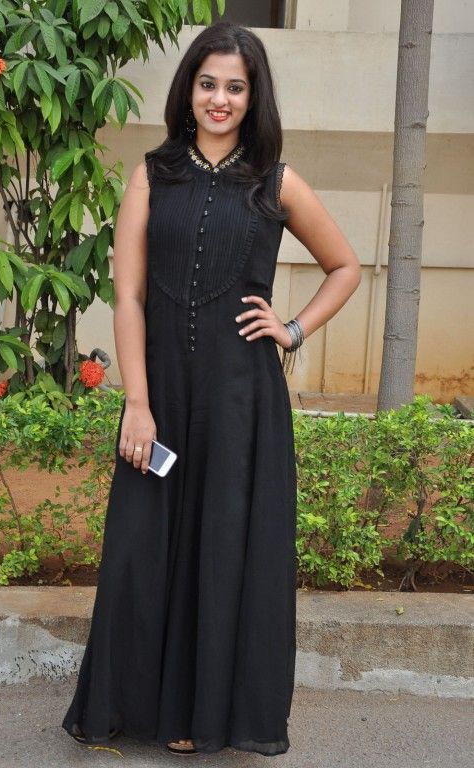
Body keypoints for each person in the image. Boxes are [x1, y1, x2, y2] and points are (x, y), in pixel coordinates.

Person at [61, 20, 361, 757]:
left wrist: (293, 329)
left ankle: (203, 716)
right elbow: (128, 297)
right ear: (188, 90)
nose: (219, 99)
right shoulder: (152, 174)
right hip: (160, 398)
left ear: (253, 97)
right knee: (140, 548)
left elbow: (346, 266)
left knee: (225, 552)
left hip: (240, 403)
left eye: (235, 87)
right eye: (207, 84)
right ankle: (135, 706)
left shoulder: (276, 182)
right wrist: (137, 402)